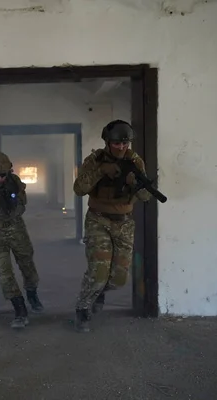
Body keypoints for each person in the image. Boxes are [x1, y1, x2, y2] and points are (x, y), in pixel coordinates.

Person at [72, 120, 152, 333]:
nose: (121, 147)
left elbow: (145, 196)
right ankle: (83, 308)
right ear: (107, 142)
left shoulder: (135, 161)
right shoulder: (95, 160)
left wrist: (135, 183)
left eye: (125, 143)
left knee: (118, 279)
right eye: (117, 143)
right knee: (98, 273)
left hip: (124, 223)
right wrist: (101, 171)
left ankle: (97, 292)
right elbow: (79, 188)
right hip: (98, 220)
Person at [0, 150, 44, 329]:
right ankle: (19, 308)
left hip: (16, 228)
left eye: (3, 175)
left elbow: (22, 203)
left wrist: (12, 205)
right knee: (4, 272)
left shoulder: (15, 182)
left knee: (27, 265)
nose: (0, 179)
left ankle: (32, 293)